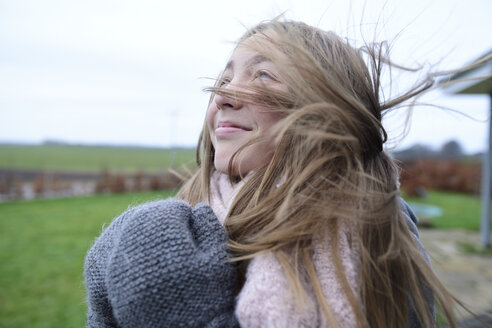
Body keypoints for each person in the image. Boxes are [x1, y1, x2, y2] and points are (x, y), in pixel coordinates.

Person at [85, 19, 463, 327]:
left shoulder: (377, 229)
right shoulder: (182, 227)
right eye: (225, 79)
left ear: (325, 106)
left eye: (263, 76)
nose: (224, 96)